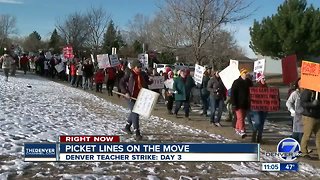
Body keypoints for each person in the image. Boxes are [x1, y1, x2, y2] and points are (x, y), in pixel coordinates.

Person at [120, 59, 152, 140]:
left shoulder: (143, 74)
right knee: (135, 112)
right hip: (130, 97)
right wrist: (126, 92)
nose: (140, 68)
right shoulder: (130, 74)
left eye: (141, 67)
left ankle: (127, 127)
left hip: (140, 97)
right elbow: (121, 82)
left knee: (134, 112)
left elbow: (147, 82)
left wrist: (150, 81)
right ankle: (137, 132)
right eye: (138, 67)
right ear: (134, 67)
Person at [300, 89, 320, 160]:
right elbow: (302, 103)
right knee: (307, 135)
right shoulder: (307, 92)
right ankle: (304, 152)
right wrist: (312, 104)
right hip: (309, 116)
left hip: (318, 116)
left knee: (319, 137)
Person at [231, 68, 251, 138]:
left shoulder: (249, 82)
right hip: (238, 103)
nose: (246, 74)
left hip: (245, 103)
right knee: (240, 117)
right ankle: (242, 130)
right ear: (241, 74)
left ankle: (237, 128)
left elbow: (252, 90)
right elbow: (233, 94)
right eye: (244, 73)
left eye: (246, 73)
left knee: (242, 117)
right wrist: (233, 104)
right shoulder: (236, 82)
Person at [250, 73, 269, 143]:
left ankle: (259, 138)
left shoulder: (267, 87)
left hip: (264, 108)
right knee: (257, 122)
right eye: (263, 78)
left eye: (264, 78)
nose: (264, 80)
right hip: (256, 108)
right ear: (259, 79)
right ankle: (254, 135)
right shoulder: (255, 87)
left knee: (262, 123)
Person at [286, 78, 304, 143]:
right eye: (300, 83)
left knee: (303, 133)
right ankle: (291, 142)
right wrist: (291, 110)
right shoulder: (295, 93)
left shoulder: (309, 92)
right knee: (296, 133)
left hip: (305, 116)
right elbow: (288, 102)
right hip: (296, 116)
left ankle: (302, 148)